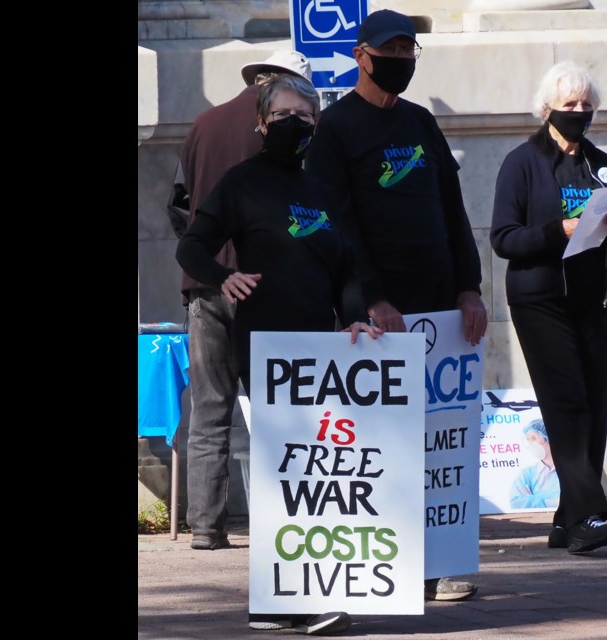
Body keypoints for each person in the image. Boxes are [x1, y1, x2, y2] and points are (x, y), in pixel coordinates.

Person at [177, 74, 378, 636]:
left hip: (320, 349)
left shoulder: (320, 190)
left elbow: (344, 267)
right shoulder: (241, 183)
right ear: (262, 123)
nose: (296, 124)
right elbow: (191, 242)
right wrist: (224, 278)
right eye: (285, 114)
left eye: (306, 116)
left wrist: (355, 315)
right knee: (289, 471)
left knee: (307, 472)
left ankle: (282, 601)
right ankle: (293, 597)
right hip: (267, 347)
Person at [305, 9, 486, 603]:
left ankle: (436, 561)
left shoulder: (421, 122)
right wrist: (370, 298)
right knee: (387, 441)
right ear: (361, 55)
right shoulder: (334, 130)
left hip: (439, 307)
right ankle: (393, 563)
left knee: (438, 437)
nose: (402, 60)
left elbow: (452, 208)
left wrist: (470, 287)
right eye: (391, 50)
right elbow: (338, 225)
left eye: (410, 50)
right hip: (380, 313)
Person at [489, 61, 607, 555]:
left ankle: (567, 519)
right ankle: (588, 515)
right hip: (541, 299)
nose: (579, 112)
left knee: (594, 406)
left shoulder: (603, 164)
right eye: (569, 105)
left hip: (595, 298)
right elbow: (504, 239)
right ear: (547, 108)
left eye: (586, 105)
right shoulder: (521, 162)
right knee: (567, 402)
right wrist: (561, 230)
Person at [176, 49, 312, 553]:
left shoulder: (202, 124)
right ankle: (285, 520)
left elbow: (180, 207)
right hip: (268, 287)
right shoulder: (292, 130)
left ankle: (206, 527)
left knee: (210, 413)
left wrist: (210, 267)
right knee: (282, 410)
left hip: (207, 285)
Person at [509, 419, 560, 510]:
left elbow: (577, 500)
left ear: (548, 437)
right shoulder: (527, 474)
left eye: (534, 438)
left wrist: (532, 499)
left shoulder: (569, 470)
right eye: (528, 440)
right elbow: (516, 503)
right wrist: (551, 502)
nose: (531, 443)